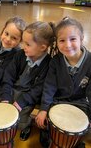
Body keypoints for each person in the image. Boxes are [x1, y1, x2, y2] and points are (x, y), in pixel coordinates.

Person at [35, 17, 91, 148]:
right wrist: (43, 109)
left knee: (81, 128)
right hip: (58, 101)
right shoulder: (55, 61)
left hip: (81, 103)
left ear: (82, 38)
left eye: (73, 39)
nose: (67, 45)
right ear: (57, 42)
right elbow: (49, 86)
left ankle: (76, 141)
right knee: (46, 125)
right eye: (62, 40)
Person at [0, 21, 55, 141]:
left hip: (28, 96)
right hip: (13, 89)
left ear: (43, 48)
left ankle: (27, 125)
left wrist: (21, 102)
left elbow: (38, 89)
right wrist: (6, 96)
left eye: (28, 44)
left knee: (20, 121)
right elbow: (8, 76)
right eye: (23, 42)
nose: (23, 46)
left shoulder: (49, 64)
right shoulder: (20, 54)